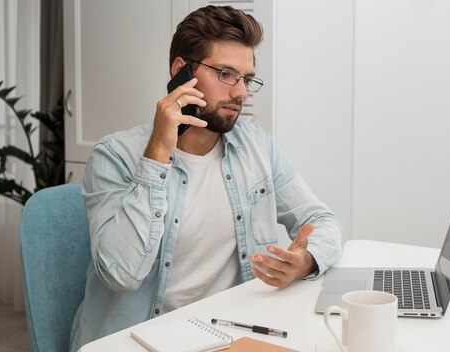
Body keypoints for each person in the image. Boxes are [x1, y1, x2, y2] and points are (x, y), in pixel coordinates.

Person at [69, 5, 344, 351]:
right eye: (226, 74)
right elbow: (121, 276)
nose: (241, 93)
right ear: (181, 72)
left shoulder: (256, 145)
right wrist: (156, 156)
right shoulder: (115, 156)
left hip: (227, 334)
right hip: (138, 340)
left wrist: (306, 260)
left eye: (247, 79)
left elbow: (322, 221)